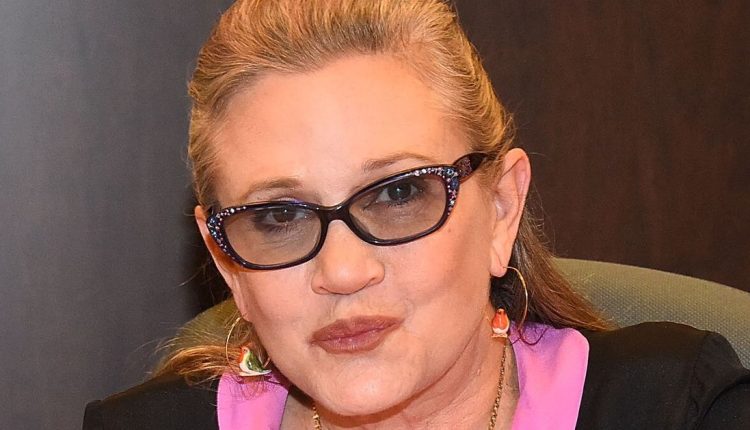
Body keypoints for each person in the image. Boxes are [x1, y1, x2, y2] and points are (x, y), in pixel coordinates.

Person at [83, 1, 750, 429]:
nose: (344, 272)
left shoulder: (677, 408)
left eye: (398, 194)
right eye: (280, 216)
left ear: (500, 209)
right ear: (227, 261)